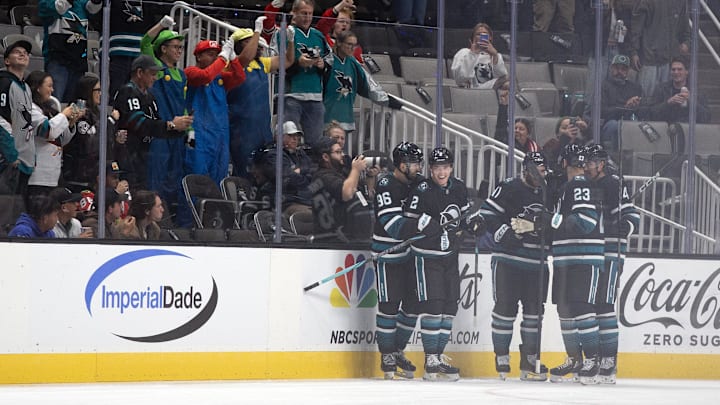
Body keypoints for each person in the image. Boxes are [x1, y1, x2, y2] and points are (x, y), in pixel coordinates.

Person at [402, 147, 480, 381]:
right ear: (430, 169)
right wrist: (427, 224)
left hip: (450, 255)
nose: (442, 172)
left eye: (445, 167)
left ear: (451, 168)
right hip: (427, 256)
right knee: (433, 307)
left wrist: (473, 224)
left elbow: (465, 216)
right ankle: (430, 360)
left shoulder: (458, 187)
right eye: (437, 168)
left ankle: (438, 356)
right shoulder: (422, 190)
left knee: (449, 307)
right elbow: (408, 219)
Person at [480, 152, 550, 381]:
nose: (539, 176)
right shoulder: (509, 187)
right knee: (505, 310)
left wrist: (545, 228)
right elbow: (487, 214)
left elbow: (556, 221)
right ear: (525, 170)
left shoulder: (551, 190)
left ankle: (529, 359)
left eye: (542, 171)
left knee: (534, 313)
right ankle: (501, 356)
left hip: (536, 264)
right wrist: (505, 233)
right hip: (508, 261)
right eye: (535, 171)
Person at [546, 144, 604, 384]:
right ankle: (576, 359)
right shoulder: (566, 188)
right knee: (566, 309)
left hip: (583, 256)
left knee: (581, 307)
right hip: (566, 257)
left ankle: (591, 359)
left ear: (563, 163)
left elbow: (585, 221)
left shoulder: (578, 185)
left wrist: (552, 220)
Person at [583, 144, 639, 384]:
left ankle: (609, 361)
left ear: (601, 164)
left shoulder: (613, 183)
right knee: (592, 305)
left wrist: (622, 226)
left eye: (589, 163)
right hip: (592, 250)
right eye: (584, 162)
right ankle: (595, 359)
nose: (585, 166)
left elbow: (632, 216)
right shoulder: (585, 185)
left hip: (611, 251)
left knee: (604, 304)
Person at [372, 142, 424, 379]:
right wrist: (424, 227)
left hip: (410, 254)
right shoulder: (386, 184)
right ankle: (387, 356)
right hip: (388, 254)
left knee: (413, 305)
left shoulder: (417, 183)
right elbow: (393, 226)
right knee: (389, 306)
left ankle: (397, 349)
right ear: (402, 165)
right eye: (414, 163)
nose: (418, 167)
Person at [140, 15, 194, 224]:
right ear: (163, 48)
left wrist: (191, 139)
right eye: (175, 47)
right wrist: (161, 25)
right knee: (158, 178)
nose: (180, 50)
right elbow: (145, 42)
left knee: (176, 179)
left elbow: (189, 110)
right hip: (162, 134)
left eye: (181, 47)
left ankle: (172, 221)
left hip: (179, 136)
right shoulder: (158, 70)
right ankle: (154, 223)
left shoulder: (182, 74)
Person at [228, 17, 294, 178]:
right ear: (239, 46)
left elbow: (288, 60)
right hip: (241, 130)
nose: (257, 45)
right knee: (244, 172)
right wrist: (258, 30)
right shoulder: (233, 65)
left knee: (265, 172)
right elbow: (245, 58)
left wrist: (291, 42)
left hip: (262, 129)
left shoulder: (261, 64)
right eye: (249, 42)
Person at [112, 55, 190, 192]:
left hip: (144, 157)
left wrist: (180, 128)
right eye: (152, 74)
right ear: (140, 73)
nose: (155, 78)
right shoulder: (128, 91)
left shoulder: (150, 96)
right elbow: (139, 123)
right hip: (126, 157)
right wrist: (170, 125)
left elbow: (156, 126)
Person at [185, 36, 245, 185]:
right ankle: (189, 208)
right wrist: (223, 58)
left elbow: (240, 77)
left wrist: (233, 58)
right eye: (210, 54)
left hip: (219, 134)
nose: (215, 58)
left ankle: (215, 208)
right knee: (194, 172)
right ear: (198, 56)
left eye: (216, 54)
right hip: (195, 133)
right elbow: (205, 76)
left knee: (219, 174)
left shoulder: (220, 78)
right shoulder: (190, 72)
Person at [279, 0, 331, 147]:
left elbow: (330, 61)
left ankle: (313, 170)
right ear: (294, 13)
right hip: (291, 96)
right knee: (288, 142)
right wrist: (297, 64)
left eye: (310, 14)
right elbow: (277, 65)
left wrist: (322, 65)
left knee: (316, 145)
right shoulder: (285, 33)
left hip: (315, 97)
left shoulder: (318, 36)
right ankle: (287, 169)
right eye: (304, 13)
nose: (308, 17)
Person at [25, 71, 82, 198]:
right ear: (38, 88)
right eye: (49, 86)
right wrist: (64, 115)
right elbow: (47, 131)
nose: (52, 89)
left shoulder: (50, 110)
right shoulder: (29, 109)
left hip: (53, 174)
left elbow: (61, 140)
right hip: (37, 176)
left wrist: (71, 123)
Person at [322, 30, 389, 133]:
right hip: (326, 117)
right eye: (349, 44)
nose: (352, 48)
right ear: (339, 43)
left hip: (346, 117)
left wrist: (389, 100)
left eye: (354, 45)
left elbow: (368, 85)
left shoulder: (353, 62)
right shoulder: (328, 60)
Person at [64, 74, 123, 188]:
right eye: (97, 90)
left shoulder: (98, 113)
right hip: (81, 175)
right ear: (88, 90)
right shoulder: (78, 111)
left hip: (98, 174)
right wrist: (110, 122)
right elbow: (89, 143)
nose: (100, 93)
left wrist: (116, 139)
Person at [38, 0, 101, 102]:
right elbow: (59, 7)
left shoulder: (81, 3)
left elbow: (93, 8)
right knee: (55, 100)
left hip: (79, 60)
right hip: (58, 59)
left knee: (74, 103)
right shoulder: (47, 2)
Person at [311, 136, 372, 240]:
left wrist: (370, 176)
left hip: (350, 234)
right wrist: (356, 170)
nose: (343, 155)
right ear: (325, 157)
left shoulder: (341, 173)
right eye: (338, 152)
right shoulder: (322, 176)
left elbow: (365, 195)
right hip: (332, 239)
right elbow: (346, 194)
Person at [628, 0, 690, 99]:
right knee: (645, 99)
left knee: (666, 100)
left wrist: (686, 43)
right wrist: (634, 52)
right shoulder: (646, 2)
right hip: (648, 60)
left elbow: (686, 29)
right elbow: (635, 29)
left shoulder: (680, 2)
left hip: (669, 61)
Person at [0, 35, 35, 198]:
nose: (23, 54)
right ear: (7, 61)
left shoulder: (26, 87)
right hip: (10, 160)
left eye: (26, 53)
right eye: (17, 52)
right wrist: (11, 155)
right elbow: (1, 121)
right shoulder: (4, 83)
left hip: (24, 160)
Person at [645, 56, 711, 124]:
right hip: (666, 128)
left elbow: (706, 118)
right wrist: (668, 103)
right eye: (673, 69)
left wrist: (691, 101)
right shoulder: (661, 89)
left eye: (679, 69)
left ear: (686, 71)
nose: (676, 72)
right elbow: (651, 114)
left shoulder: (697, 91)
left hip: (688, 129)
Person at [108, 0, 153, 96]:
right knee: (117, 92)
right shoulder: (114, 4)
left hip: (141, 56)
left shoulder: (148, 4)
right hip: (118, 53)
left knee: (140, 93)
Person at [599, 54, 643, 151]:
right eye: (617, 68)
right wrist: (625, 107)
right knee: (616, 126)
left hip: (631, 121)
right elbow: (602, 111)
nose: (619, 72)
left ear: (628, 71)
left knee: (642, 127)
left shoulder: (635, 87)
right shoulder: (604, 86)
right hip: (609, 123)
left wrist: (636, 106)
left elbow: (643, 109)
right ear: (611, 68)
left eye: (623, 69)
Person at [451, 23, 507, 90]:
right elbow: (460, 79)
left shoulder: (496, 55)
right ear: (472, 38)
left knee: (508, 83)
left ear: (490, 38)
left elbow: (502, 77)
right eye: (478, 34)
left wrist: (495, 56)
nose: (481, 36)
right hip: (471, 91)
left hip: (492, 92)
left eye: (484, 33)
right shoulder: (463, 53)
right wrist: (472, 54)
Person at [315, 0, 364, 64]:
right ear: (333, 23)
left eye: (348, 22)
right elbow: (323, 24)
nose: (345, 24)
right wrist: (341, 5)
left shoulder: (355, 47)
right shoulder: (325, 40)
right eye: (341, 21)